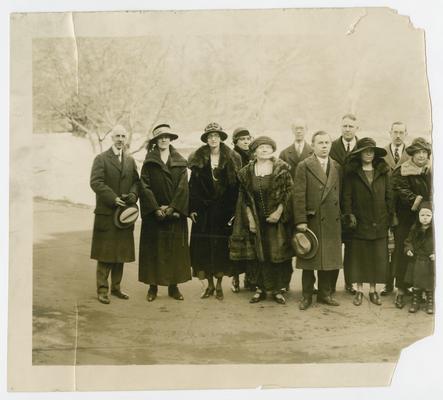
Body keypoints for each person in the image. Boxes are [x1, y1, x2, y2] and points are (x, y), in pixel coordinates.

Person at [232, 136, 293, 304]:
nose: (264, 150)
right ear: (255, 151)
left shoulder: (282, 169)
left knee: (277, 253)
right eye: (261, 147)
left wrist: (279, 213)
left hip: (278, 221)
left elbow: (289, 193)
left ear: (272, 150)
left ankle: (278, 289)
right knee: (259, 254)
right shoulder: (246, 172)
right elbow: (244, 198)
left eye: (267, 147)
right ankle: (260, 288)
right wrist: (250, 220)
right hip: (257, 220)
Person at [138, 124, 192, 302]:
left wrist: (172, 208)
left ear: (171, 139)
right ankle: (152, 287)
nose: (164, 139)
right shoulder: (149, 162)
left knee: (174, 251)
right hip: (155, 215)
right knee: (153, 250)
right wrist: (155, 208)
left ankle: (173, 287)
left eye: (167, 137)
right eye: (160, 137)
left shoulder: (180, 161)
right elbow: (144, 186)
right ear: (155, 141)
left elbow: (183, 188)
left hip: (174, 214)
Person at [188, 122, 242, 300]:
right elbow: (193, 187)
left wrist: (234, 212)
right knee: (203, 248)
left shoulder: (233, 158)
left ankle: (219, 285)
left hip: (223, 213)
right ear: (206, 139)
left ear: (220, 138)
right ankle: (209, 285)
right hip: (203, 213)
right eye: (210, 136)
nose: (213, 139)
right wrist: (193, 209)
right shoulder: (198, 158)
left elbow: (236, 188)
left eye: (216, 136)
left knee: (220, 248)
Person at [90, 125, 140, 304]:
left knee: (121, 253)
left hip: (124, 214)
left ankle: (116, 288)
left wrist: (133, 195)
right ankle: (102, 290)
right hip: (106, 213)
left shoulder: (130, 160)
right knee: (105, 254)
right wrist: (113, 198)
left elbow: (136, 181)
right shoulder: (101, 159)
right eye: (117, 136)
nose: (120, 139)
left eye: (123, 136)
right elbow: (96, 182)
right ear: (112, 138)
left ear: (125, 139)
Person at [293, 131, 343, 310]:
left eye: (327, 143)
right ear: (313, 146)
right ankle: (306, 296)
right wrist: (301, 220)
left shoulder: (336, 166)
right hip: (312, 221)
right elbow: (298, 195)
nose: (324, 146)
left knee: (328, 261)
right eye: (320, 143)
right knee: (309, 260)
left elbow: (340, 194)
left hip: (332, 221)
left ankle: (324, 294)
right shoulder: (304, 166)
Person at [342, 138, 393, 306]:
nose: (369, 154)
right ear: (360, 154)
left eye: (371, 151)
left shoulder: (383, 171)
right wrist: (349, 216)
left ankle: (372, 291)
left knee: (376, 258)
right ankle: (358, 290)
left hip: (379, 221)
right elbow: (347, 197)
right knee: (359, 258)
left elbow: (389, 196)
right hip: (359, 222)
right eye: (365, 151)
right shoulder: (352, 172)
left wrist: (389, 217)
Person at [392, 137, 432, 309]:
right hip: (406, 220)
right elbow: (400, 191)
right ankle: (400, 290)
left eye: (425, 152)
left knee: (424, 253)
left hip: (425, 219)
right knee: (403, 253)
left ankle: (421, 290)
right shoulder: (403, 170)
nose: (422, 156)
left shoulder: (429, 170)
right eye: (418, 152)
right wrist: (419, 202)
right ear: (412, 154)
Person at [279, 119, 314, 293]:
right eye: (296, 128)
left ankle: (311, 284)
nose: (299, 131)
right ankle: (285, 282)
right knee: (286, 244)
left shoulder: (312, 152)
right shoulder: (285, 153)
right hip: (288, 205)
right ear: (292, 130)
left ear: (306, 130)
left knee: (309, 242)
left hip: (307, 204)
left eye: (302, 128)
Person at [329, 114, 360, 295]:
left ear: (357, 128)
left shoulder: (362, 147)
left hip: (355, 206)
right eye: (345, 126)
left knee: (352, 247)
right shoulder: (331, 147)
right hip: (334, 203)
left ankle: (351, 282)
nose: (347, 129)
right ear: (340, 127)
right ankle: (330, 285)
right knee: (333, 245)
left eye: (351, 126)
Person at [381, 121, 410, 296]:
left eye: (401, 132)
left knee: (400, 248)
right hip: (384, 208)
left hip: (404, 211)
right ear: (389, 133)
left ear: (406, 134)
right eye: (395, 132)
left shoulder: (411, 155)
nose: (398, 135)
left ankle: (401, 283)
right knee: (385, 247)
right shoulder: (382, 154)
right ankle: (386, 284)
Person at [230, 127, 254, 293]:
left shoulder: (254, 156)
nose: (246, 142)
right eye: (242, 139)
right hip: (237, 203)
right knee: (237, 240)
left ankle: (250, 278)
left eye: (248, 138)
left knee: (251, 242)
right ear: (236, 142)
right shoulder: (232, 157)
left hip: (251, 203)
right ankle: (235, 278)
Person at [404, 202, 434, 314]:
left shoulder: (435, 230)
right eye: (422, 215)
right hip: (417, 260)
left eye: (428, 215)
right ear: (418, 216)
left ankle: (430, 302)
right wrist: (409, 249)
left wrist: (436, 254)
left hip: (430, 261)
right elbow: (408, 241)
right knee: (416, 281)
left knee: (429, 282)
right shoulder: (415, 229)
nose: (425, 218)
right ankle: (415, 301)